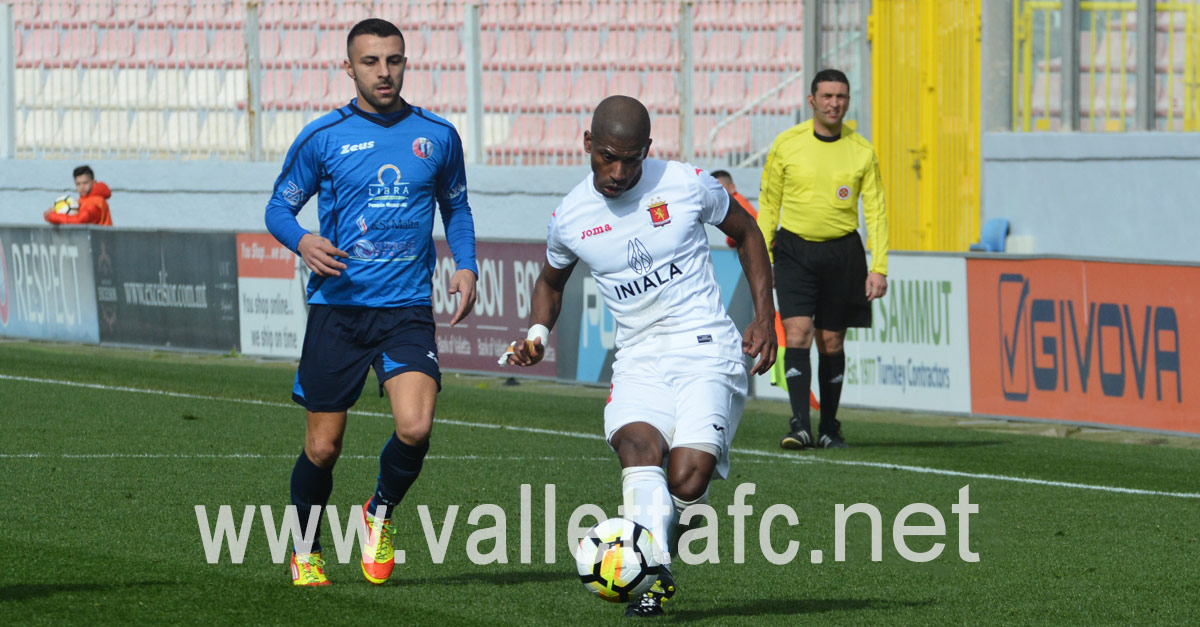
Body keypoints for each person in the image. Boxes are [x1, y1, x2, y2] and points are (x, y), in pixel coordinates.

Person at [506, 96, 776, 617]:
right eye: (607, 156)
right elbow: (550, 281)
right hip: (637, 355)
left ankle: (658, 544)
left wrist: (765, 316)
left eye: (631, 159)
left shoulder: (686, 183)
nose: (618, 171)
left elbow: (747, 233)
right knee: (637, 445)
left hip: (705, 346)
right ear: (587, 144)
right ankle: (652, 573)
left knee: (688, 479)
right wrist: (538, 330)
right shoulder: (570, 217)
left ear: (648, 150)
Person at [263, 18, 478, 587]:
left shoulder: (438, 135)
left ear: (405, 63)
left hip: (406, 309)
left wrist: (467, 264)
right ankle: (304, 550)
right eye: (371, 62)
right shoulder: (323, 137)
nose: (384, 72)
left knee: (415, 428)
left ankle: (377, 513)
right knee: (323, 447)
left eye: (394, 60)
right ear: (349, 67)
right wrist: (303, 240)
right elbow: (278, 209)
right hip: (339, 309)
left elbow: (456, 208)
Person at [758, 68, 889, 450]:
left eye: (841, 97)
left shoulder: (861, 150)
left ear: (848, 102)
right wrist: (765, 256)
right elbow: (769, 204)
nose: (835, 103)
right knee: (797, 333)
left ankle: (830, 427)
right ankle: (800, 424)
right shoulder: (787, 144)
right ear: (811, 101)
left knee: (831, 341)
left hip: (842, 253)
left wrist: (879, 265)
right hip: (794, 250)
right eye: (827, 96)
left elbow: (877, 212)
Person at [43, 165, 113, 226]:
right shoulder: (82, 201)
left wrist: (53, 216)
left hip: (100, 241)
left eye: (85, 183)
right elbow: (73, 218)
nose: (81, 187)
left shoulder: (97, 202)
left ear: (94, 183)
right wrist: (54, 212)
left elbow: (80, 221)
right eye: (78, 184)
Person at [710, 170, 757, 249]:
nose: (715, 194)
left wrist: (730, 241)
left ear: (732, 188)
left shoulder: (735, 204)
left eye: (719, 189)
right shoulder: (737, 200)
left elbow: (738, 232)